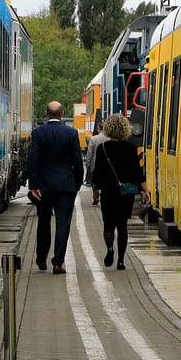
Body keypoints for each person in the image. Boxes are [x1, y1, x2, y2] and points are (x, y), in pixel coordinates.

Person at [28, 101, 84, 274]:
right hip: (66, 186)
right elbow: (77, 160)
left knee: (43, 222)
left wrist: (33, 185)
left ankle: (41, 259)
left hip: (44, 186)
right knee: (63, 224)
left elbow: (34, 159)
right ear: (62, 114)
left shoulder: (38, 133)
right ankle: (58, 263)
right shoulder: (71, 133)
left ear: (46, 113)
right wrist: (77, 183)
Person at [87, 113, 146, 269]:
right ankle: (121, 261)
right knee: (122, 226)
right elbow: (137, 173)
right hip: (126, 193)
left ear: (108, 129)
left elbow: (97, 172)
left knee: (108, 225)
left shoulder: (102, 148)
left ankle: (110, 248)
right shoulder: (131, 148)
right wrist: (145, 191)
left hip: (108, 192)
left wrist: (96, 189)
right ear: (126, 129)